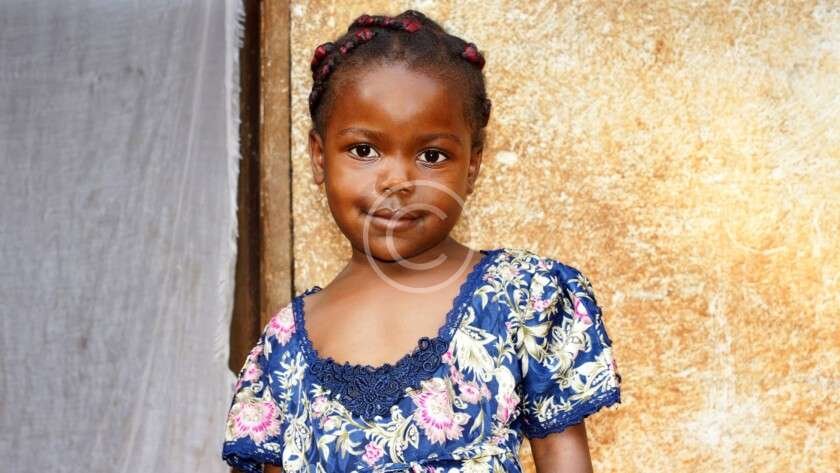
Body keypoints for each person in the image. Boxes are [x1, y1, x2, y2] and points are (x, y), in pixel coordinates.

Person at [221, 9, 622, 473]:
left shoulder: (524, 299)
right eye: (364, 150)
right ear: (318, 157)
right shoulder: (283, 347)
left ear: (472, 166)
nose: (397, 181)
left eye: (432, 155)